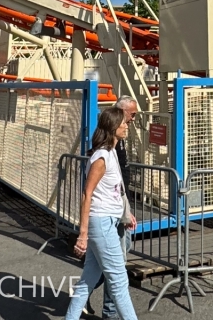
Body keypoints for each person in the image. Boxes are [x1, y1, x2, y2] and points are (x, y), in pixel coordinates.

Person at [64, 108, 138, 320]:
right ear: (114, 127)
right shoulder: (101, 156)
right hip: (102, 223)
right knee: (119, 281)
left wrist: (126, 214)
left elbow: (116, 190)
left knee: (89, 279)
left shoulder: (112, 152)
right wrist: (83, 234)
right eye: (123, 123)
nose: (126, 126)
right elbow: (87, 194)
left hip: (109, 221)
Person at [91, 96, 139, 319]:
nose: (131, 122)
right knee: (116, 268)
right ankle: (110, 312)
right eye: (130, 116)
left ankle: (82, 294)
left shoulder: (118, 142)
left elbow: (120, 180)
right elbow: (93, 190)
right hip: (109, 214)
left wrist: (126, 209)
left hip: (118, 209)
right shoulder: (104, 151)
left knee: (104, 265)